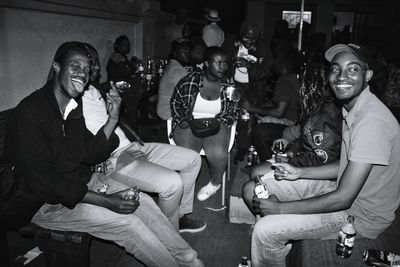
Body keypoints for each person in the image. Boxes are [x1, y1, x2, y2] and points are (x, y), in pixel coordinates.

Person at [5, 41, 204, 267]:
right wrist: (106, 201)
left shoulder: (72, 107)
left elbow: (90, 153)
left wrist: (112, 118)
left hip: (83, 184)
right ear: (57, 66)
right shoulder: (30, 112)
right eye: (76, 66)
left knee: (145, 203)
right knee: (129, 225)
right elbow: (45, 182)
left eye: (87, 70)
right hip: (46, 203)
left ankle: (189, 259)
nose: (83, 74)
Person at [242, 43, 400, 267]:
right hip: (341, 189)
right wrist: (299, 172)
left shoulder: (371, 122)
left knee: (264, 230)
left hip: (362, 215)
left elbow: (344, 198)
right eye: (336, 69)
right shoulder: (353, 108)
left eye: (352, 69)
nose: (341, 76)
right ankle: (277, 248)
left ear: (368, 75)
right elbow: (347, 165)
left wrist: (279, 209)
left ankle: (273, 240)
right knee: (252, 189)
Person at [83, 45, 206, 233]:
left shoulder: (94, 90)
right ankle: (168, 235)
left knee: (193, 159)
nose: (97, 68)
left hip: (134, 146)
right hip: (115, 158)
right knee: (172, 183)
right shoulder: (70, 102)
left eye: (97, 63)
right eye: (92, 63)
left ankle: (179, 216)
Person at [170, 46, 239, 202]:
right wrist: (181, 120)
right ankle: (184, 189)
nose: (224, 67)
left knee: (217, 152)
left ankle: (215, 183)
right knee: (188, 154)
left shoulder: (228, 85)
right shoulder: (189, 80)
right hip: (189, 121)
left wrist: (228, 113)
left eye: (226, 63)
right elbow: (175, 102)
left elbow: (234, 110)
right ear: (207, 64)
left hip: (217, 122)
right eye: (219, 63)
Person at [223, 20, 273, 163]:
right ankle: (240, 147)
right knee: (235, 118)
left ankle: (251, 149)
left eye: (253, 38)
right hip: (235, 86)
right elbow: (221, 62)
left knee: (252, 120)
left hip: (255, 89)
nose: (249, 41)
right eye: (246, 37)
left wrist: (250, 66)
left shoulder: (263, 48)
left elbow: (268, 71)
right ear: (241, 35)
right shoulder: (230, 44)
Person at [248, 50, 300, 162]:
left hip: (290, 124)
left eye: (274, 62)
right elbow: (281, 101)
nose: (272, 64)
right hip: (297, 121)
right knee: (260, 113)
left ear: (283, 66)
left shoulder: (283, 81)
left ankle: (265, 162)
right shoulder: (295, 78)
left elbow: (279, 112)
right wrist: (260, 105)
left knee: (258, 124)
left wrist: (252, 108)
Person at [106, 35, 144, 131]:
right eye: (124, 45)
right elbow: (127, 71)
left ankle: (136, 124)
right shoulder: (116, 57)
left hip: (121, 85)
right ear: (117, 46)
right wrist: (133, 66)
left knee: (138, 91)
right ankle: (133, 129)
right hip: (116, 86)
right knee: (134, 98)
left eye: (128, 45)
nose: (127, 47)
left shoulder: (122, 57)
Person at [157, 38, 193, 121]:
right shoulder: (176, 70)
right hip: (168, 110)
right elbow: (189, 92)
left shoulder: (174, 65)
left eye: (188, 52)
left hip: (166, 107)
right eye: (184, 52)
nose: (187, 54)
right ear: (175, 53)